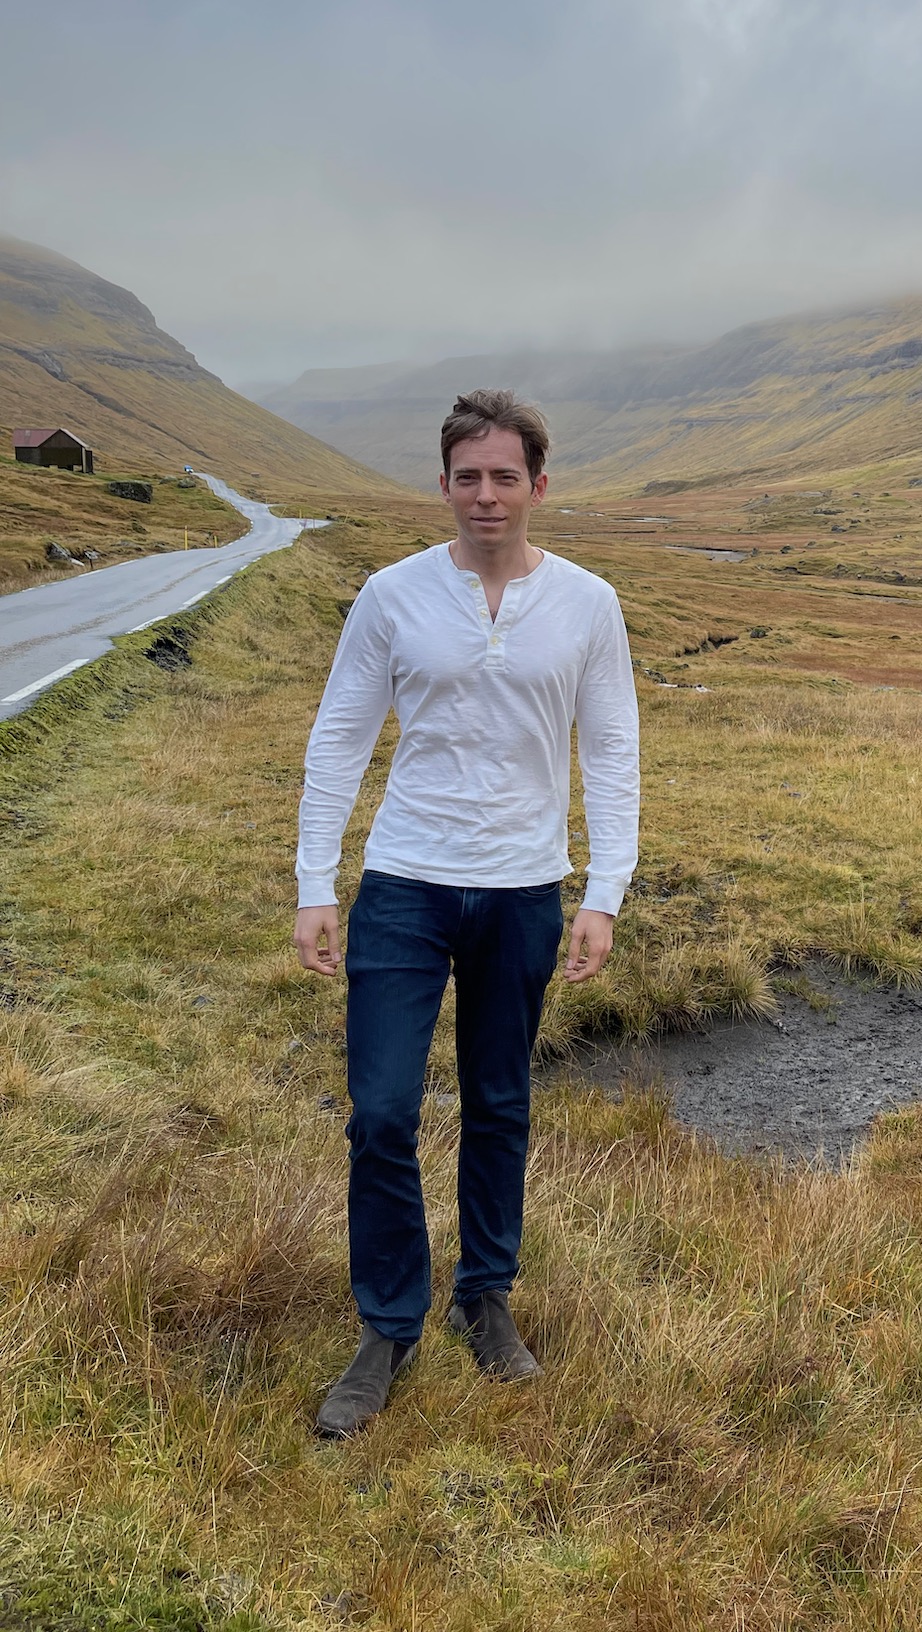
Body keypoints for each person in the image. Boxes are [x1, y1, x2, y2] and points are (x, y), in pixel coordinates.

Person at [293, 388, 639, 1438]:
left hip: (526, 885)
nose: (484, 494)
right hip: (406, 880)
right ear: (442, 483)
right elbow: (339, 737)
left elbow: (613, 750)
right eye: (466, 475)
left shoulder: (589, 603)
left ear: (539, 484)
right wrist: (317, 880)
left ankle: (485, 1294)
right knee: (384, 1110)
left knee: (499, 1100)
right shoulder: (391, 594)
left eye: (504, 476)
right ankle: (386, 1322)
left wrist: (602, 892)